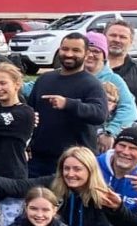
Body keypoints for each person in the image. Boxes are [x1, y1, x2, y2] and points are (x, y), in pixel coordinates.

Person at [24, 33, 108, 177]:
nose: (69, 54)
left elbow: (99, 114)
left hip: (74, 164)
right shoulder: (45, 80)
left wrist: (68, 104)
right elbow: (30, 113)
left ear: (86, 53)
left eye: (76, 50)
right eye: (65, 49)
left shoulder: (91, 84)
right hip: (38, 160)